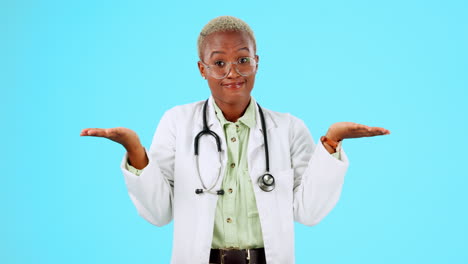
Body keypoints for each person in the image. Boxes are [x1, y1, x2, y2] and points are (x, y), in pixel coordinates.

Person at [80, 16, 390, 264]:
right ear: (202, 69)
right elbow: (159, 212)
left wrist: (332, 142)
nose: (233, 72)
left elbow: (309, 212)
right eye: (219, 63)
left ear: (257, 62)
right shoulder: (177, 122)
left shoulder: (288, 128)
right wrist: (134, 150)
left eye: (243, 60)